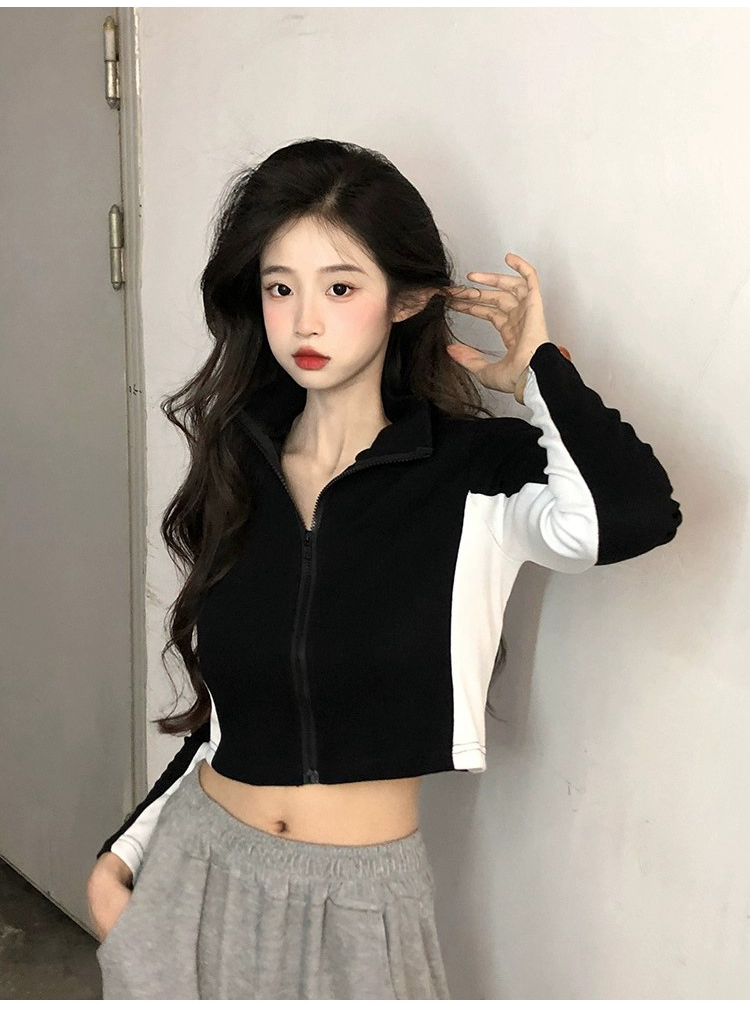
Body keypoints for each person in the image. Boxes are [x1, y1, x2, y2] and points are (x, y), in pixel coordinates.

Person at [86, 137, 682, 999]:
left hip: (357, 906)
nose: (305, 321)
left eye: (340, 287)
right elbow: (229, 713)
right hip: (194, 873)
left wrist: (538, 373)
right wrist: (124, 856)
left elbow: (629, 515)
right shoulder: (240, 464)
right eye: (280, 287)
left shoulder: (474, 472)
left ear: (406, 299)